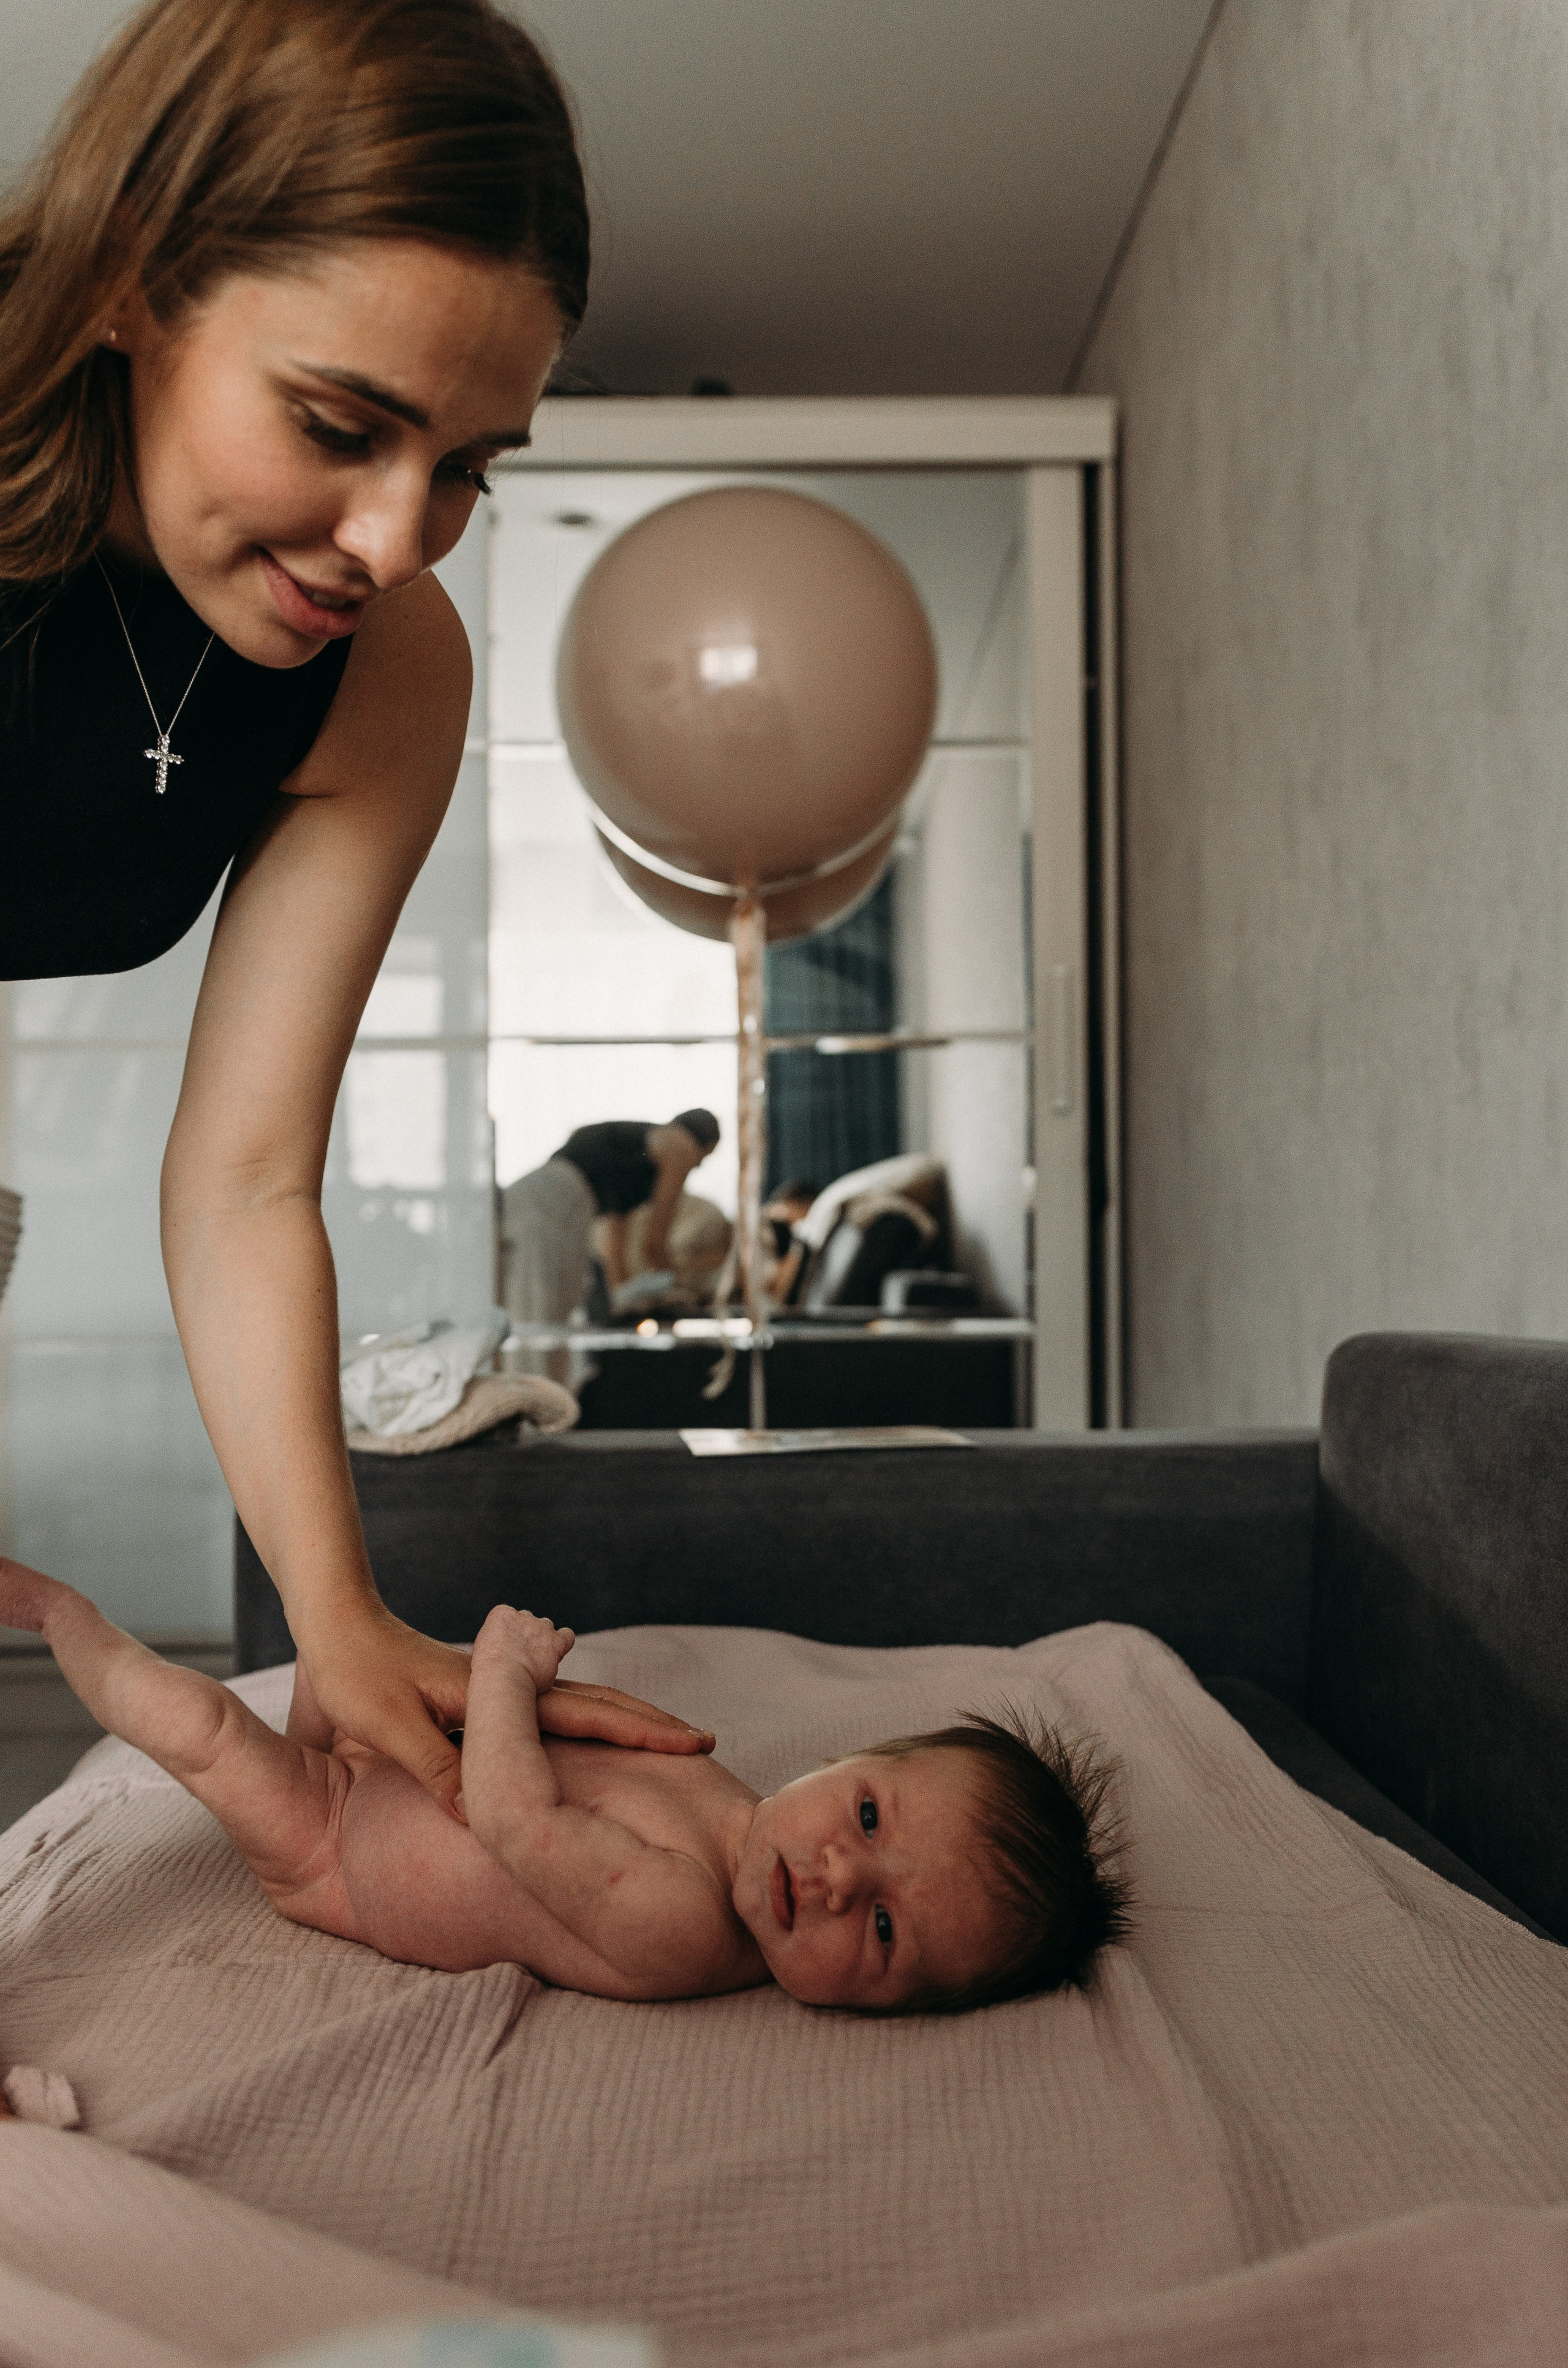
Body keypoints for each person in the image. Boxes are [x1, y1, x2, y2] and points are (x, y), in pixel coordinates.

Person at [0, 0, 678, 1809]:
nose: (393, 539)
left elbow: (243, 1182)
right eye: (337, 424)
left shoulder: (385, 676)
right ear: (131, 283)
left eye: (463, 465)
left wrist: (340, 1617)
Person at [1, 1560, 1130, 2012]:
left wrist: (502, 1672)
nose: (839, 1876)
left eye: (883, 1930)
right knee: (338, 1614)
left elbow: (513, 1818)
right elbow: (571, 1756)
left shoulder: (687, 1926)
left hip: (333, 1842)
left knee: (203, 1724)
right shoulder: (736, 1806)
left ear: (896, 2010)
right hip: (395, 1761)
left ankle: (55, 1613)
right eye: (870, 1815)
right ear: (848, 1761)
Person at [500, 1110, 721, 1325]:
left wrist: (621, 1297)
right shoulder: (681, 1147)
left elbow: (615, 1242)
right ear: (707, 1145)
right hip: (554, 1202)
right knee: (540, 1310)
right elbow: (655, 1241)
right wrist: (672, 1285)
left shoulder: (633, 1157)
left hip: (528, 1196)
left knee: (542, 1305)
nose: (698, 1165)